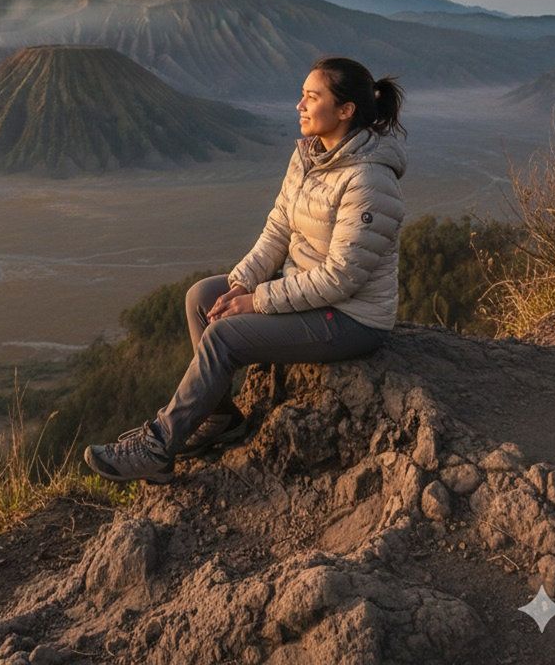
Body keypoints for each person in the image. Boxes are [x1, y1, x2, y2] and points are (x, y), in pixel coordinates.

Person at [84, 56, 408, 484]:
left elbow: (341, 278)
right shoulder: (310, 157)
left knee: (226, 335)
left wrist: (257, 300)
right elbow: (278, 228)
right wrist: (241, 283)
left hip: (352, 318)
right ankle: (219, 417)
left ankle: (158, 446)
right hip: (304, 290)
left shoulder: (369, 180)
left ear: (346, 110)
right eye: (302, 95)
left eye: (312, 97)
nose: (300, 105)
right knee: (202, 298)